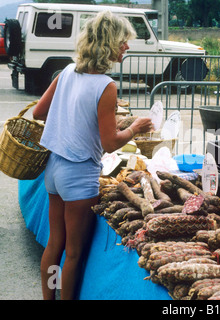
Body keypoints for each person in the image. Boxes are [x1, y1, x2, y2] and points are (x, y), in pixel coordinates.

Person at [33, 11, 153, 300]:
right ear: (109, 43)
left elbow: (38, 112)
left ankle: (49, 298)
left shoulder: (67, 72)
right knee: (73, 254)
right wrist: (135, 128)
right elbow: (111, 143)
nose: (127, 46)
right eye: (124, 41)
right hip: (78, 175)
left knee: (54, 245)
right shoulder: (106, 86)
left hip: (53, 169)